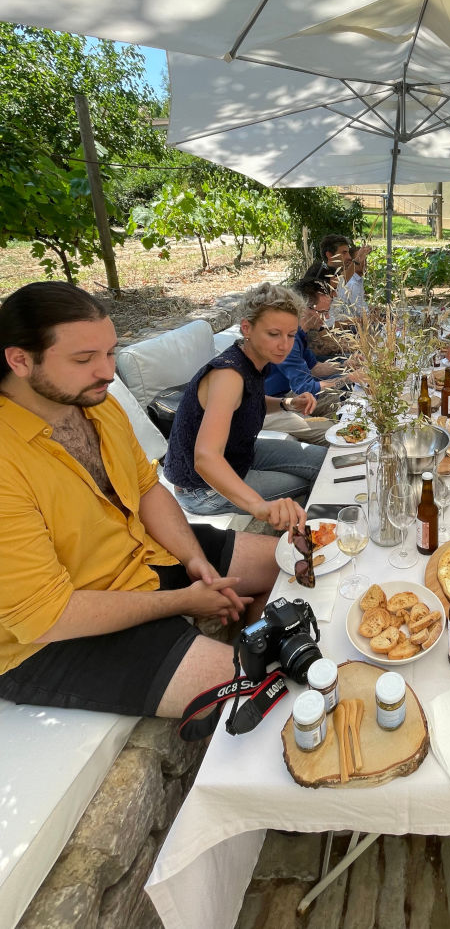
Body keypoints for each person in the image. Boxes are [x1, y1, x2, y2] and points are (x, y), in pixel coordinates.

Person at [0, 282, 281, 719]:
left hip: (140, 554)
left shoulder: (96, 404)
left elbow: (147, 488)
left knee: (294, 559)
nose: (107, 371)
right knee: (264, 689)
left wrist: (194, 561)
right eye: (84, 359)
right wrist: (186, 601)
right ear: (20, 359)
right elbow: (45, 615)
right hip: (55, 632)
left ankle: (252, 636)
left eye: (110, 353)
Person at [164, 284, 324, 524]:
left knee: (325, 462)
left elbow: (248, 401)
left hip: (241, 454)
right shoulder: (228, 375)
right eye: (274, 334)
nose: (284, 345)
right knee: (311, 481)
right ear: (247, 328)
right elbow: (205, 457)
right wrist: (258, 505)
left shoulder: (256, 358)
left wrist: (287, 404)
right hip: (200, 488)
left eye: (291, 335)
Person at [264, 279, 359, 417]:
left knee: (349, 392)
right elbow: (305, 388)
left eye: (327, 312)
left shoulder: (300, 333)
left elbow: (314, 368)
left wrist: (345, 365)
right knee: (347, 398)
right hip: (280, 400)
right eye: (322, 312)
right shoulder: (288, 339)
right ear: (303, 308)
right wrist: (349, 378)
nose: (326, 318)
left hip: (294, 392)